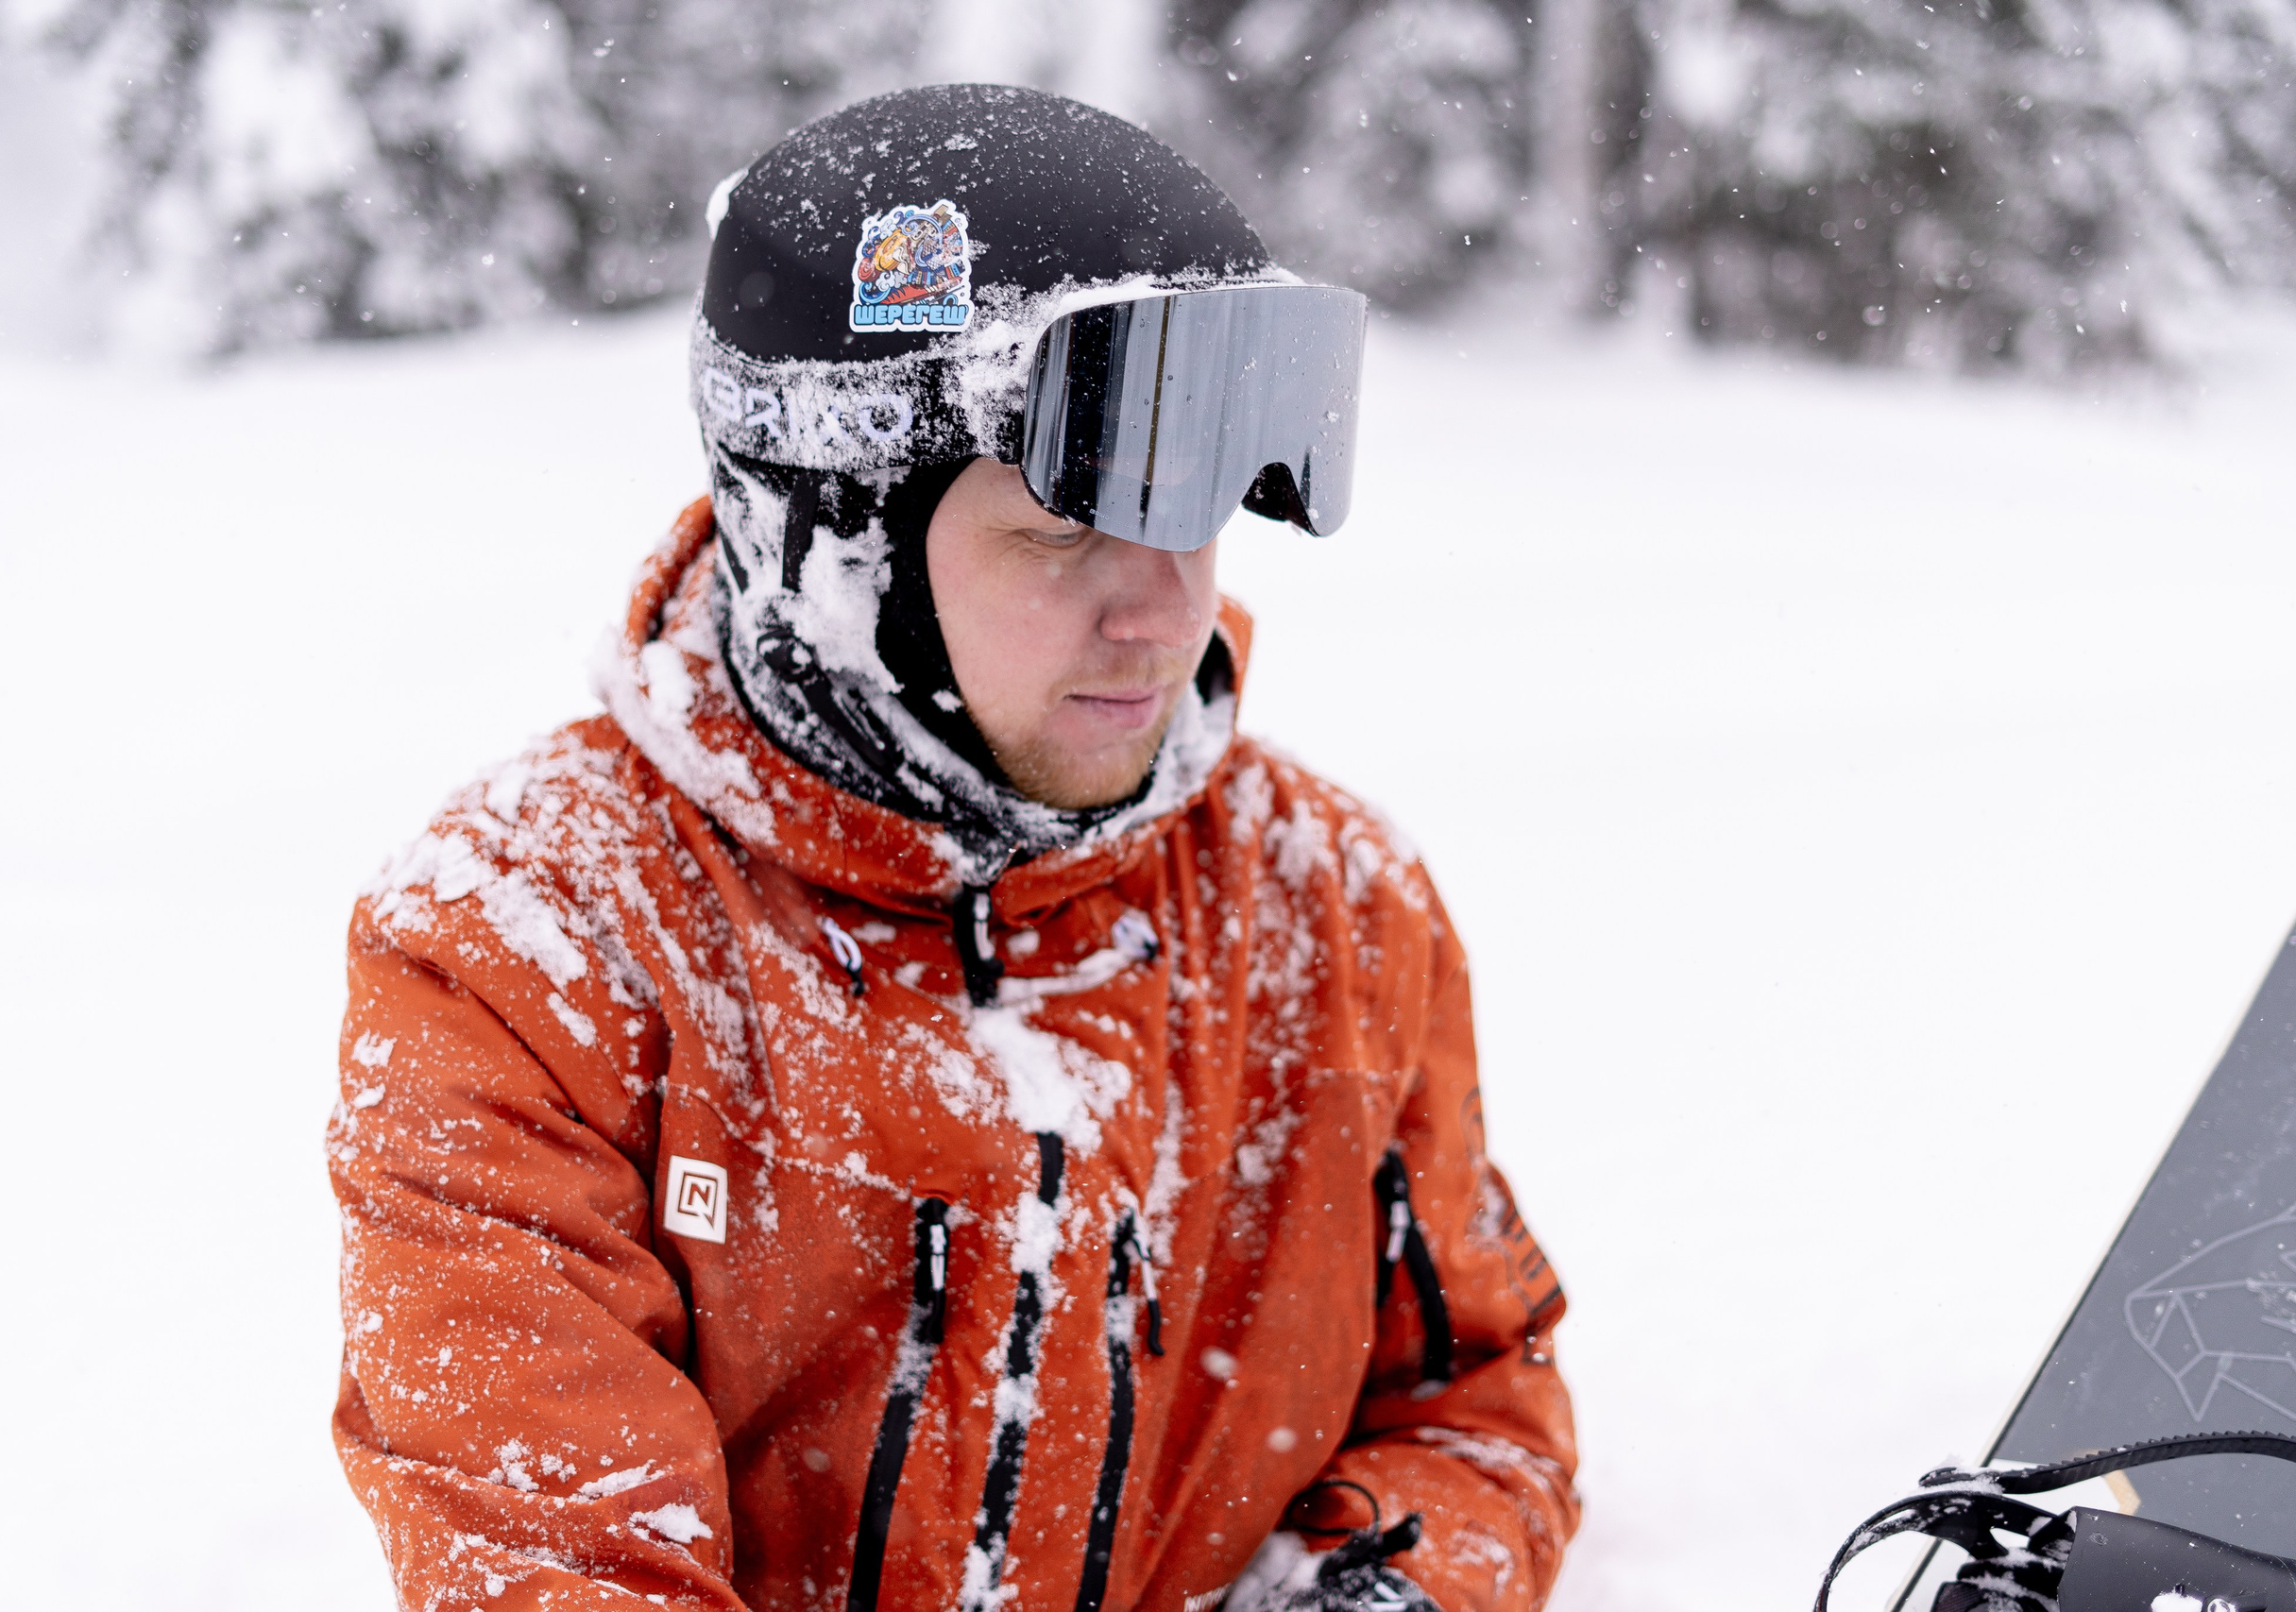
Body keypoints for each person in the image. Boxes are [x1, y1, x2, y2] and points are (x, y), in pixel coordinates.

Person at [327, 83, 1576, 1612]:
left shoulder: (1328, 902)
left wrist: (1368, 1593)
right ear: (826, 545)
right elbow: (552, 1563)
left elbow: (1476, 1406)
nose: (1164, 610)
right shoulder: (531, 941)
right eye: (1063, 534)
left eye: (1199, 516)